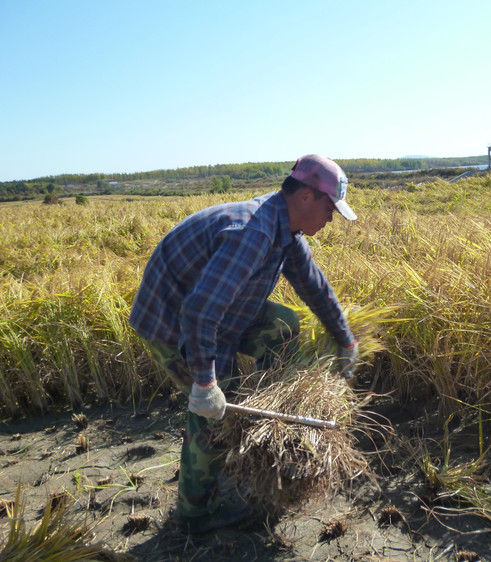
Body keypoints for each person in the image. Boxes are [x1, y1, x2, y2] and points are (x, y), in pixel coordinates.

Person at [129, 153, 360, 531]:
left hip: (220, 308)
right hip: (174, 322)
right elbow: (200, 313)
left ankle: (259, 416)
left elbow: (314, 287)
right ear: (304, 196)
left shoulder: (285, 230)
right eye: (330, 207)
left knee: (282, 326)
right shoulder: (252, 232)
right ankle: (195, 512)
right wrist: (206, 384)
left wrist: (345, 341)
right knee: (214, 415)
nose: (332, 217)